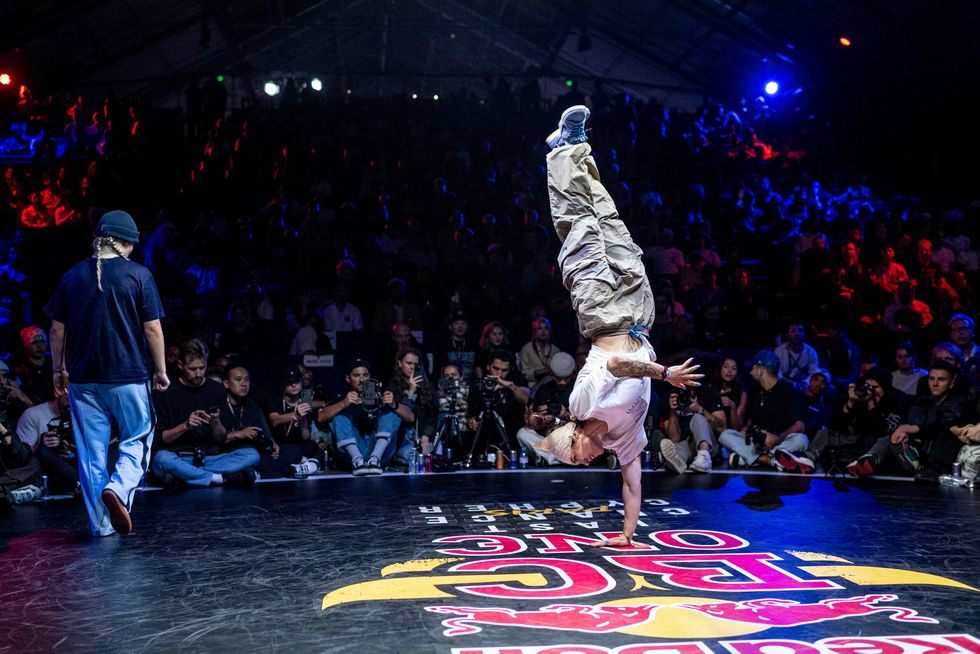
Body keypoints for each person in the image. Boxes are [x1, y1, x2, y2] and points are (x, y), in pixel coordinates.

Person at [533, 106, 701, 548]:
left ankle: (561, 151)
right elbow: (632, 483)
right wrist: (627, 535)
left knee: (581, 230)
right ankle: (576, 151)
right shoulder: (623, 441)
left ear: (574, 436)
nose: (583, 463)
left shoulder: (582, 404)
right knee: (610, 222)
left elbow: (623, 366)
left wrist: (665, 374)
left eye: (576, 458)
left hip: (601, 313)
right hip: (639, 315)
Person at [45, 210, 169, 537]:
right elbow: (153, 329)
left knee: (91, 452)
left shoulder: (72, 276)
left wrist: (59, 370)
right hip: (128, 375)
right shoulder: (138, 275)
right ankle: (120, 486)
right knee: (139, 435)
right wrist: (161, 370)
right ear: (125, 242)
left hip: (83, 379)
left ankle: (101, 526)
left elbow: (57, 330)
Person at [151, 338, 259, 488]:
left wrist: (215, 423)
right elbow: (160, 439)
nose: (198, 373)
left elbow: (221, 438)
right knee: (160, 459)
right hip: (180, 456)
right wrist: (186, 426)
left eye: (202, 368)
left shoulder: (216, 389)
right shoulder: (166, 391)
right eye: (193, 369)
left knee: (252, 455)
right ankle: (217, 479)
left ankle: (187, 477)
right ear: (181, 365)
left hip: (211, 457)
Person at [718, 350, 812, 473]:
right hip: (756, 445)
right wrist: (744, 431)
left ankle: (749, 459)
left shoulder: (787, 391)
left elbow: (800, 426)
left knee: (802, 440)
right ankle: (770, 461)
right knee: (726, 435)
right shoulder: (754, 393)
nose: (750, 372)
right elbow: (749, 422)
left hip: (780, 443)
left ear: (761, 370)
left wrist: (776, 438)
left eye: (753, 367)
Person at [318, 358, 414, 475]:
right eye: (356, 375)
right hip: (353, 455)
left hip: (380, 453)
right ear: (348, 378)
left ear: (370, 377)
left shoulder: (382, 393)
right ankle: (358, 460)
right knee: (339, 417)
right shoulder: (342, 395)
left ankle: (375, 459)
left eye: (365, 375)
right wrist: (343, 403)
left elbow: (410, 417)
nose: (362, 380)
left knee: (391, 413)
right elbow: (321, 417)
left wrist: (394, 404)